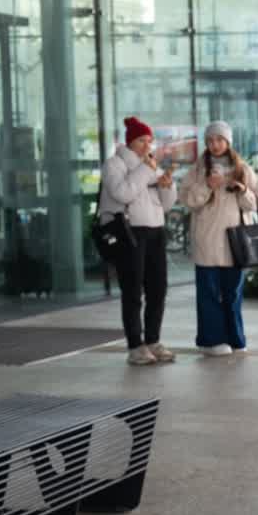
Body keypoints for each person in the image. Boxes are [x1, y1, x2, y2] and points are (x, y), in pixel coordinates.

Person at [180, 121, 258, 356]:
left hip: (235, 242)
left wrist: (241, 190)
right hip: (207, 241)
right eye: (210, 141)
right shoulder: (198, 170)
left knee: (233, 294)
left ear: (228, 142)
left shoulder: (243, 169)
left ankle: (236, 340)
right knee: (208, 294)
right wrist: (207, 186)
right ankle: (211, 341)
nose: (215, 145)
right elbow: (187, 199)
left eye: (219, 140)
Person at [99, 116, 177, 366]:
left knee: (158, 288)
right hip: (129, 232)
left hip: (155, 231)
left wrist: (166, 185)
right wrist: (146, 171)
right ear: (130, 141)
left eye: (149, 140)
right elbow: (122, 193)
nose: (147, 146)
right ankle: (135, 345)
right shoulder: (115, 164)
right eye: (142, 140)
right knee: (133, 290)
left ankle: (153, 340)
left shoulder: (149, 166)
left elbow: (166, 204)